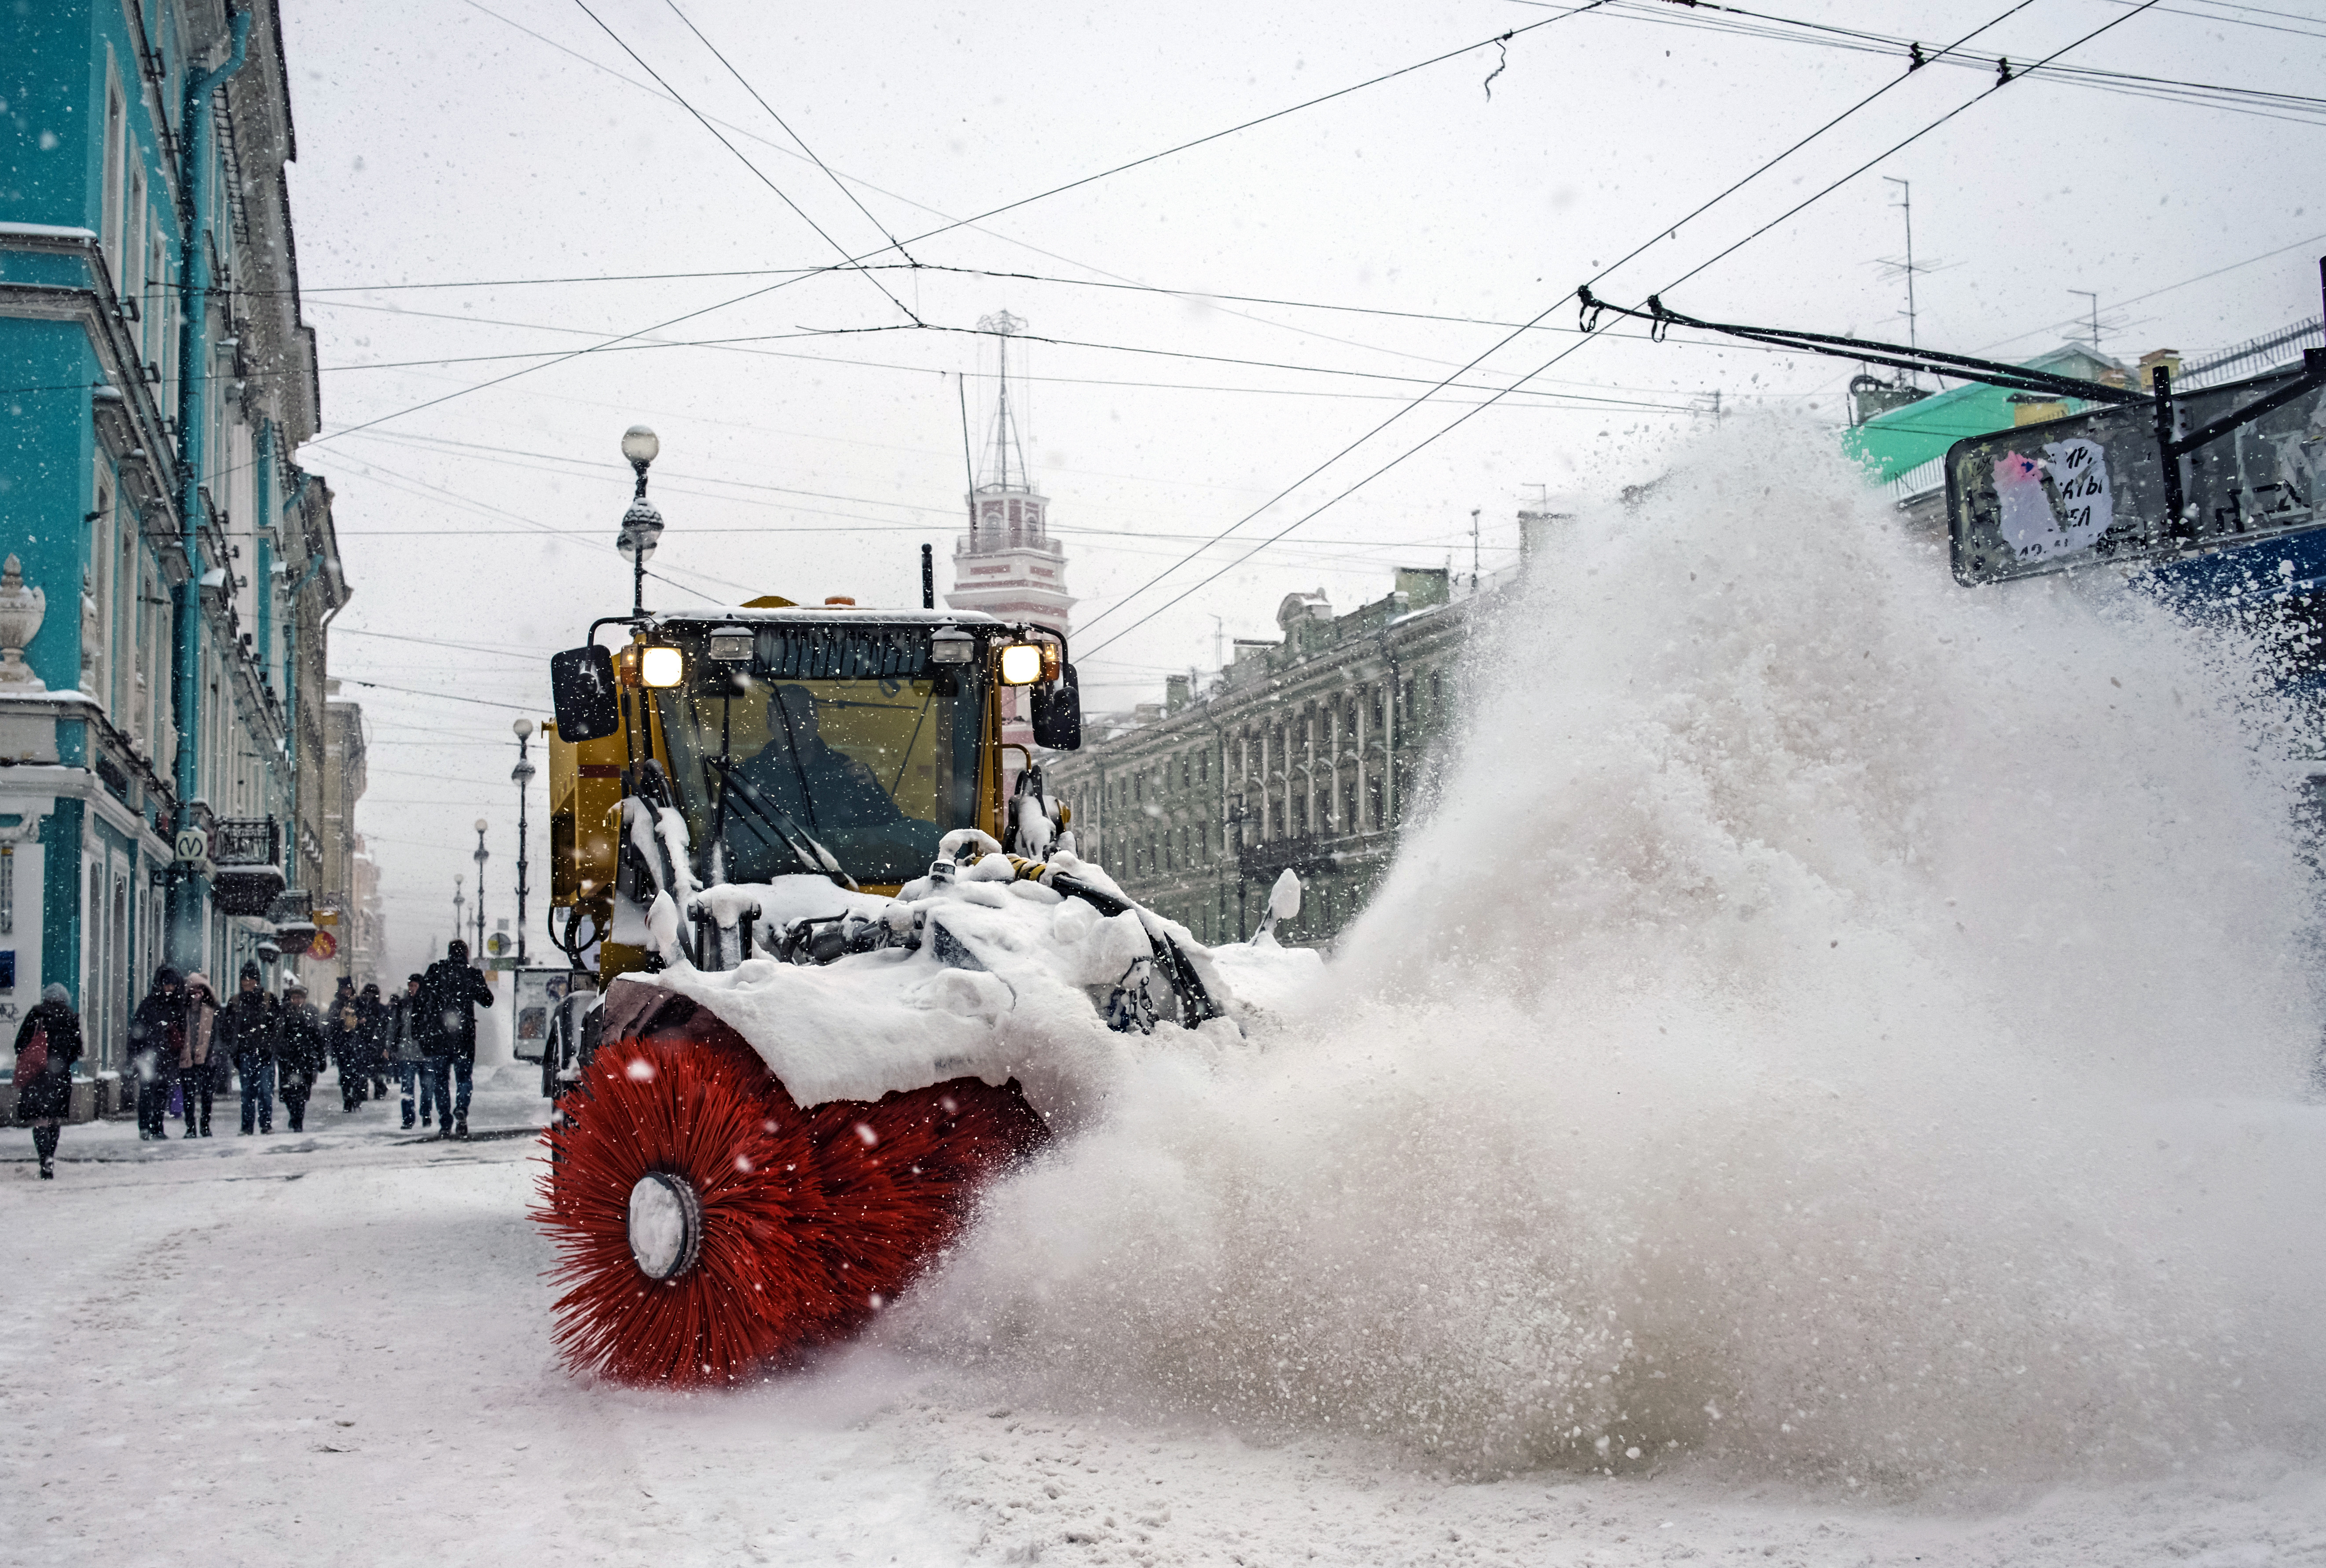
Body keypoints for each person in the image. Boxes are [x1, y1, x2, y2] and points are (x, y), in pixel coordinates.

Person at [418, 939, 493, 1140]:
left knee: (441, 1081)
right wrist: (475, 984)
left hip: (440, 1036)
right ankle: (461, 1109)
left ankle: (445, 1123)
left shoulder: (436, 971)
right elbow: (488, 1000)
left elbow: (421, 1000)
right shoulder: (472, 973)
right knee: (464, 1078)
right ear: (466, 954)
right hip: (464, 1036)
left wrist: (419, 1030)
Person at [14, 984, 83, 1179]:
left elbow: (20, 1044)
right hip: (60, 1076)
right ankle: (50, 1155)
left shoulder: (37, 1014)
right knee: (54, 1118)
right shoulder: (71, 1017)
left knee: (40, 1119)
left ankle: (44, 1158)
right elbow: (76, 1051)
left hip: (37, 1075)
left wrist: (35, 1057)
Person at [216, 961, 278, 1135]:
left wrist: (270, 1047)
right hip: (245, 1053)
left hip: (265, 1054)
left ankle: (266, 1124)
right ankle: (247, 1126)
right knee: (247, 1093)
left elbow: (277, 1027)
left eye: (252, 979)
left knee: (266, 1091)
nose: (249, 982)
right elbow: (227, 1029)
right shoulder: (235, 1002)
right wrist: (234, 1051)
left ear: (258, 980)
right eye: (245, 979)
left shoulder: (268, 999)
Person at [127, 967, 186, 1142]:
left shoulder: (177, 1005)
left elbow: (182, 1031)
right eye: (166, 985)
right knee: (147, 1092)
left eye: (172, 985)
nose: (169, 989)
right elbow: (137, 1029)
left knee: (161, 1093)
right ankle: (145, 1126)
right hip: (149, 1056)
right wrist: (134, 1053)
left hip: (167, 1056)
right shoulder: (149, 1004)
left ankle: (157, 1126)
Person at [273, 982, 327, 1133]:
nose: (296, 1000)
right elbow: (278, 1034)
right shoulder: (283, 1012)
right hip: (288, 1058)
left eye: (299, 997)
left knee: (302, 1093)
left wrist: (321, 1057)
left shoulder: (311, 1013)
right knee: (288, 1093)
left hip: (305, 1059)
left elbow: (317, 1036)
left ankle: (298, 1120)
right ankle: (294, 1115)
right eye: (294, 997)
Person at [176, 971, 220, 1138]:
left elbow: (218, 1035)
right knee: (188, 1095)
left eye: (200, 990)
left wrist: (213, 1054)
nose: (196, 994)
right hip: (187, 1058)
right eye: (193, 991)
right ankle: (190, 1128)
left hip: (207, 1059)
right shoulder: (182, 1012)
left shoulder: (213, 1011)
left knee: (207, 1095)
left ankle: (205, 1126)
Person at [387, 973, 431, 1131]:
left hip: (426, 1053)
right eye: (411, 986)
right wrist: (389, 1046)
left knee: (428, 1088)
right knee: (407, 1088)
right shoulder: (402, 1006)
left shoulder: (428, 1004)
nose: (412, 989)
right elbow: (392, 1028)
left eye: (415, 986)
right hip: (406, 1053)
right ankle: (408, 1119)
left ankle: (426, 1114)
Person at [327, 978, 365, 1113]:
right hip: (342, 1044)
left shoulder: (359, 1003)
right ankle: (347, 1099)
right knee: (344, 1075)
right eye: (344, 989)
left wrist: (361, 1022)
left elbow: (367, 1022)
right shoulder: (336, 1005)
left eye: (348, 989)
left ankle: (356, 1097)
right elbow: (331, 1026)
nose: (346, 991)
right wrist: (341, 1022)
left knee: (357, 1074)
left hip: (357, 1044)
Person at [358, 982, 391, 1102]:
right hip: (372, 1044)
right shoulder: (378, 1009)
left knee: (370, 1071)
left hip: (372, 1044)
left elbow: (386, 1027)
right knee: (374, 1071)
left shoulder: (372, 1009)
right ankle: (375, 1091)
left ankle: (369, 1091)